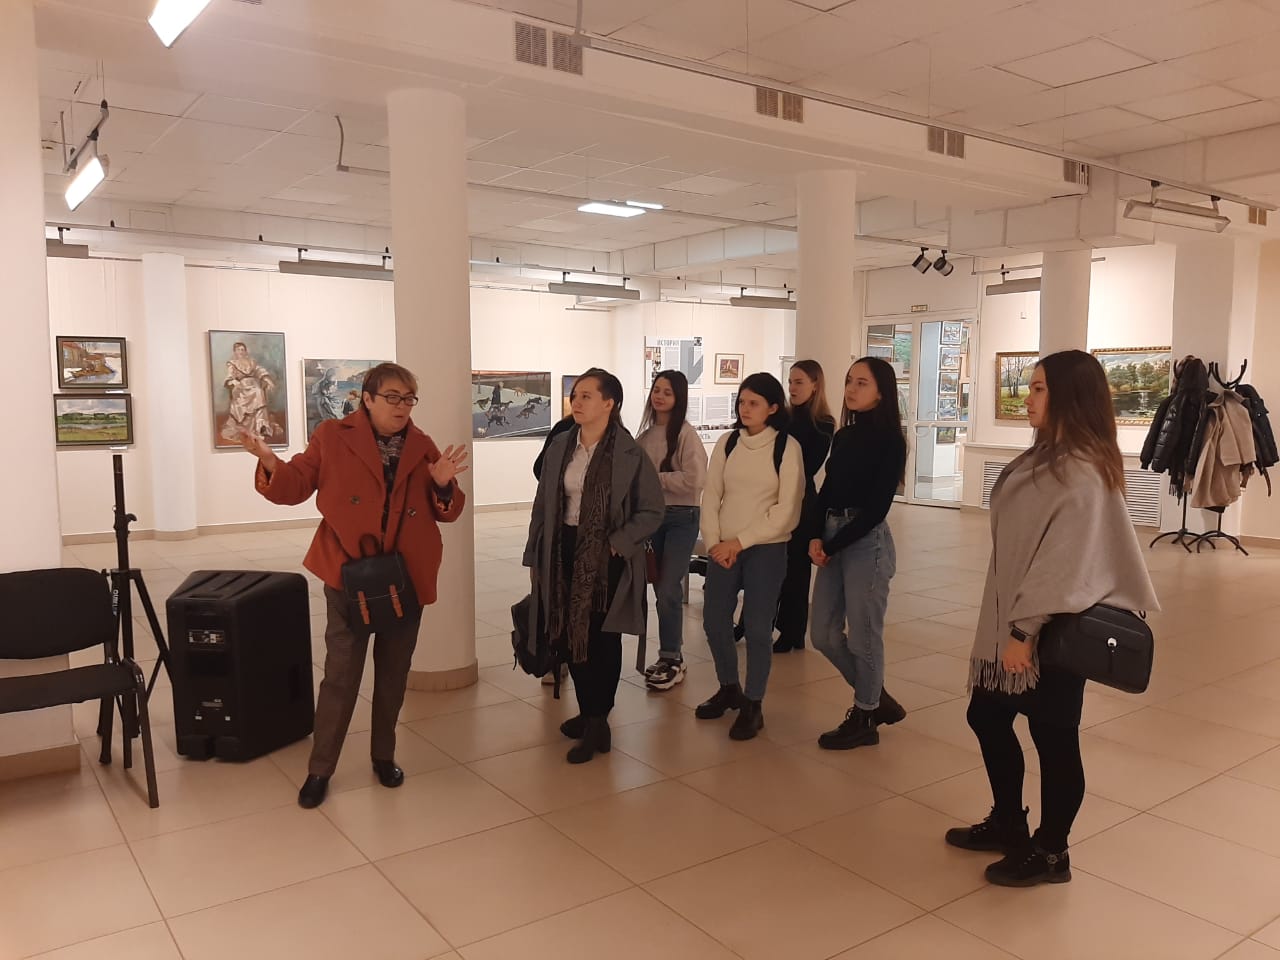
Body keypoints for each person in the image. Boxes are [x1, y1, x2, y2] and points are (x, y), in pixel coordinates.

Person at [946, 350, 1158, 887]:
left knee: (1054, 737)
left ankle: (1051, 851)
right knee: (987, 716)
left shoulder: (1083, 472)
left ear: (1069, 397)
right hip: (1015, 623)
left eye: (1039, 388)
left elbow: (1063, 564)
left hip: (1047, 632)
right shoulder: (1045, 458)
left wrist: (1023, 632)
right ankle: (1008, 822)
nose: (1028, 398)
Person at [242, 362, 469, 809]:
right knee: (341, 676)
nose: (402, 407)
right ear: (367, 398)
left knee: (394, 674)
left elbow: (449, 509)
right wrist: (270, 462)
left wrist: (443, 485)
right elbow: (296, 485)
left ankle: (383, 755)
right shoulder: (332, 436)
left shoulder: (422, 446)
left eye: (409, 399)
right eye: (392, 397)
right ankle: (320, 768)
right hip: (349, 573)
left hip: (405, 576)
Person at [523, 369, 664, 763]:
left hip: (607, 558)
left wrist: (617, 544)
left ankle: (599, 719)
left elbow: (653, 510)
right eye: (575, 395)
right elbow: (543, 502)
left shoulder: (630, 454)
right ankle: (589, 713)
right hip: (563, 549)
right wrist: (535, 549)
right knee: (569, 633)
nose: (577, 402)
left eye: (586, 395)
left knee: (602, 638)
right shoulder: (562, 444)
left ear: (609, 403)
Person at [806, 358, 909, 750]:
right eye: (849, 381)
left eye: (862, 383)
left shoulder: (891, 441)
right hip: (833, 534)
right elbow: (828, 490)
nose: (851, 388)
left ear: (881, 392)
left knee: (864, 636)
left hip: (866, 543)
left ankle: (865, 714)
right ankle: (876, 696)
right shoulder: (844, 436)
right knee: (823, 634)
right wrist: (816, 536)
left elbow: (877, 508)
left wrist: (832, 544)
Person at [697, 372, 804, 740]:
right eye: (742, 402)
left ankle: (753, 703)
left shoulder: (786, 447)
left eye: (754, 403)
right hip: (722, 548)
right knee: (714, 622)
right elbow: (711, 495)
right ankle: (729, 688)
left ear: (773, 408)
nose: (745, 408)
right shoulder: (727, 443)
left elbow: (787, 510)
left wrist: (739, 542)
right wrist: (715, 542)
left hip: (766, 549)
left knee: (758, 629)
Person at [636, 371, 708, 691]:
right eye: (656, 389)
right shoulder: (644, 437)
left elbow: (695, 480)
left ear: (679, 397)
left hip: (682, 517)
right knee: (659, 587)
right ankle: (669, 654)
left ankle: (672, 658)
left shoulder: (686, 435)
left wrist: (656, 478)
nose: (660, 396)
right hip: (652, 518)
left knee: (667, 588)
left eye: (667, 391)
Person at [770, 360, 836, 653]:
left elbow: (807, 466)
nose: (792, 388)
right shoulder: (781, 417)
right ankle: (755, 623)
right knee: (770, 564)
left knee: (796, 570)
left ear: (815, 385)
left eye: (798, 382)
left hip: (800, 499)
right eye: (790, 382)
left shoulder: (823, 424)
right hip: (773, 496)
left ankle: (792, 631)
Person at [221, 341, 278, 442]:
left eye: (242, 350)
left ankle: (260, 428)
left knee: (259, 392)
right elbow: (229, 377)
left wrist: (267, 379)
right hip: (240, 387)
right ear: (235, 352)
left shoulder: (252, 362)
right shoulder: (232, 364)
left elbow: (259, 371)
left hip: (254, 385)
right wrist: (233, 381)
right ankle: (244, 427)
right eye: (238, 350)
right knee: (250, 393)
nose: (241, 352)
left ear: (245, 351)